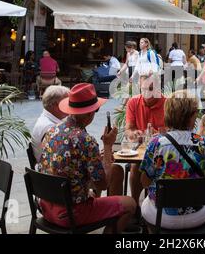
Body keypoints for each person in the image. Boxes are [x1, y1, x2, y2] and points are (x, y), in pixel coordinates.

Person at [38, 83, 136, 232]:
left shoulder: (52, 131)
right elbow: (102, 184)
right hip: (71, 213)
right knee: (130, 204)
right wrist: (108, 146)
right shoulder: (85, 140)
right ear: (90, 114)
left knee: (97, 187)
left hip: (46, 207)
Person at [139, 90, 205, 230]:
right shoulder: (203, 143)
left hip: (162, 216)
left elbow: (145, 182)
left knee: (143, 202)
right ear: (191, 116)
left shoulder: (156, 143)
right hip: (198, 215)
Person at [125, 74, 166, 209]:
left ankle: (158, 204)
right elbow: (128, 130)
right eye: (144, 89)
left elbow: (174, 131)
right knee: (136, 167)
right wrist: (134, 134)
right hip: (141, 148)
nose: (147, 93)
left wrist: (159, 134)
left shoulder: (168, 103)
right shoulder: (133, 102)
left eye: (151, 89)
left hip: (163, 149)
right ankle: (135, 205)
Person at [31, 85, 70, 161]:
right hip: (49, 168)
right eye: (66, 103)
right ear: (55, 105)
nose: (69, 106)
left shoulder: (48, 119)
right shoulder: (50, 127)